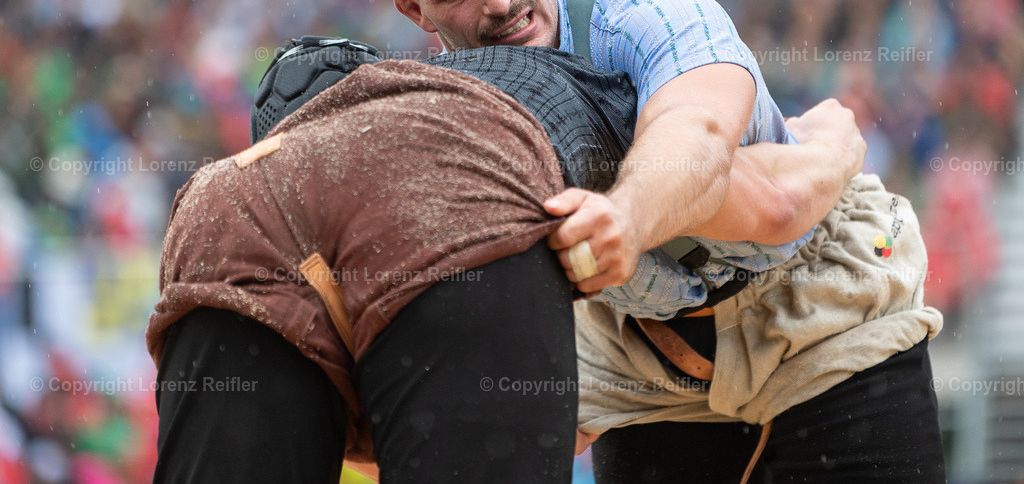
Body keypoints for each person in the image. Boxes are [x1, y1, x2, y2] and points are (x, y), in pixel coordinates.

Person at [368, 0, 945, 481]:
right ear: (415, 13)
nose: (499, 0)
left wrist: (621, 218)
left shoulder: (651, 13)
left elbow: (705, 146)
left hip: (820, 313)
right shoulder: (440, 113)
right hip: (640, 350)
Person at [146, 37, 863, 483]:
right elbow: (767, 199)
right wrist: (835, 141)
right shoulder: (527, 97)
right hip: (454, 180)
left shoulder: (266, 175)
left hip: (221, 205)